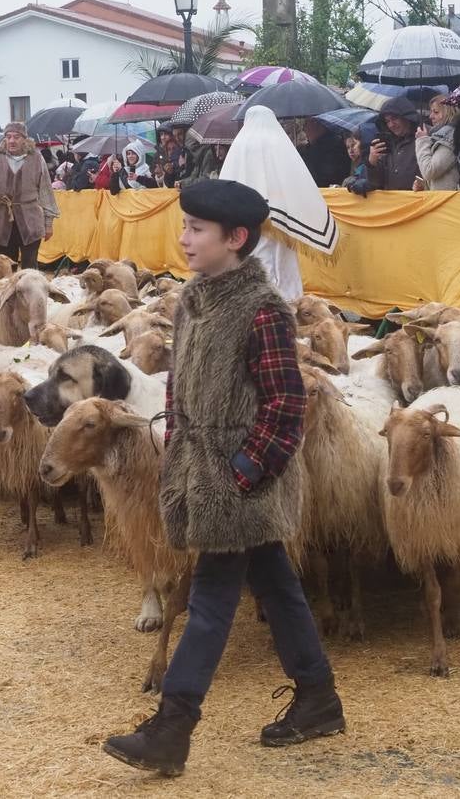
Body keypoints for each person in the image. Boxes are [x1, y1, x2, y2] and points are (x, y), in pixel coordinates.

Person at [102, 177, 345, 777]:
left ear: (236, 239)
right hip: (202, 472)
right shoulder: (193, 301)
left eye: (197, 229)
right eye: (185, 226)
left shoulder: (261, 311)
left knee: (210, 598)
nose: (184, 238)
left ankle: (171, 727)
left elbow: (287, 404)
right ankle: (318, 699)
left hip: (240, 483)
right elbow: (180, 391)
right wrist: (180, 458)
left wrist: (241, 474)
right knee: (278, 585)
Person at [220, 106, 338, 302]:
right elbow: (296, 180)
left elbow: (228, 183)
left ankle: (254, 303)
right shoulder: (279, 142)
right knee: (281, 261)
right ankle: (285, 304)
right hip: (281, 214)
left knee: (253, 259)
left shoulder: (240, 144)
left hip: (245, 218)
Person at [0, 122, 58, 268]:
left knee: (29, 267)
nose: (12, 141)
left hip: (30, 221)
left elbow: (46, 192)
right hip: (2, 222)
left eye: (16, 137)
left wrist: (48, 224)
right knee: (2, 269)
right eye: (8, 137)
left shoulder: (36, 158)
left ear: (25, 139)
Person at [365, 97, 421, 191]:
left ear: (406, 117)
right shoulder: (388, 145)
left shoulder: (423, 139)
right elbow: (376, 183)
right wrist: (372, 163)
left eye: (394, 118)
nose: (391, 125)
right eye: (387, 121)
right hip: (392, 203)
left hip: (419, 202)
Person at [413, 95, 460, 191]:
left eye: (436, 112)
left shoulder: (450, 137)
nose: (431, 116)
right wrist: (424, 186)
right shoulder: (437, 136)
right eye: (431, 112)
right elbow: (441, 179)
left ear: (449, 113)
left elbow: (429, 171)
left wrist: (422, 140)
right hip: (441, 199)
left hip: (448, 202)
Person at [297, 117, 349, 187]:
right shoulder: (313, 147)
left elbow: (322, 175)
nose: (304, 129)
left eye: (305, 124)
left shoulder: (331, 147)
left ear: (316, 124)